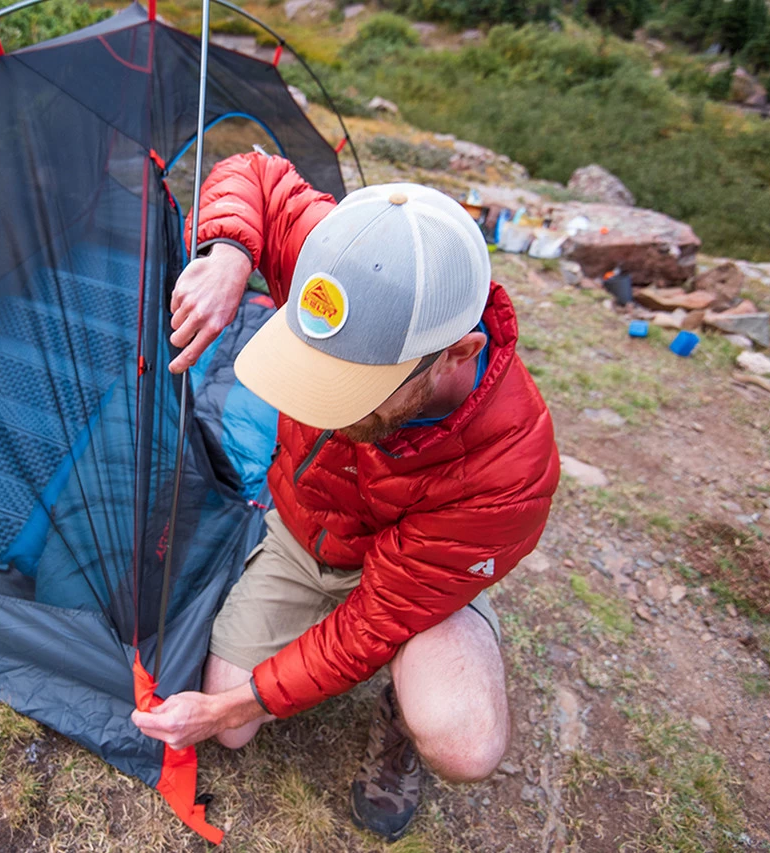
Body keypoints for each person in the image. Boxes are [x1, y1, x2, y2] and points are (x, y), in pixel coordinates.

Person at [131, 152, 560, 842]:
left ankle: (407, 699)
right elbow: (255, 174)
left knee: (464, 741)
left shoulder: (508, 469)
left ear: (458, 352)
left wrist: (225, 708)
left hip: (399, 575)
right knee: (236, 733)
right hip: (304, 537)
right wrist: (231, 253)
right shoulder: (352, 262)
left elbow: (367, 624)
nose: (329, 410)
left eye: (356, 390)